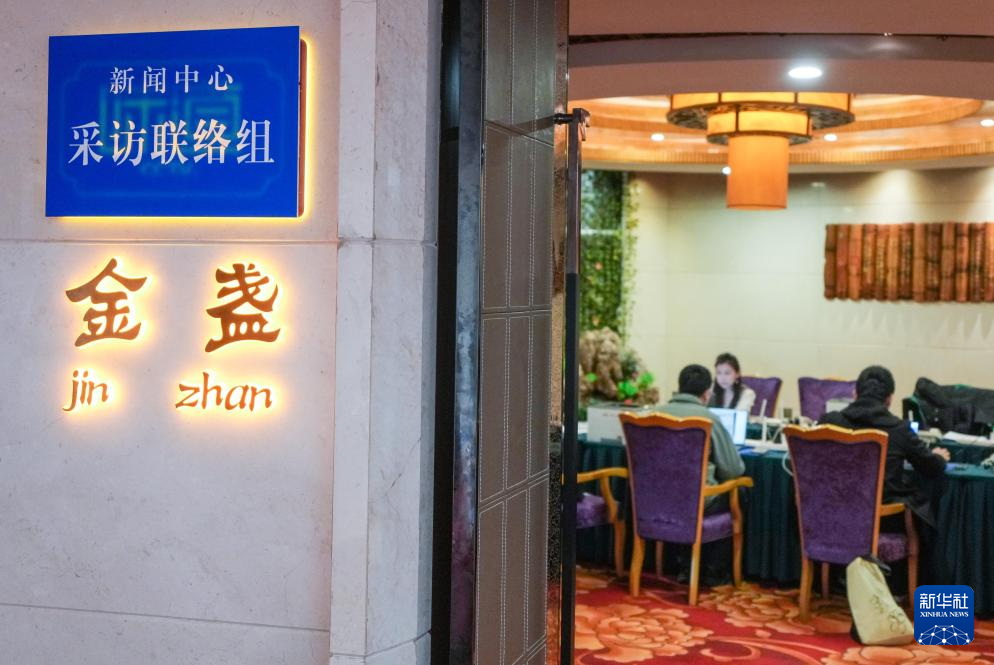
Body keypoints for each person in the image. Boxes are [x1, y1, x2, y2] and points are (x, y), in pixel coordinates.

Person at [818, 365, 950, 525]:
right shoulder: (899, 429)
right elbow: (932, 467)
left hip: (831, 517)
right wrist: (939, 457)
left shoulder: (829, 423)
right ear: (889, 399)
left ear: (855, 394)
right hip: (884, 521)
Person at [659, 363, 746, 512]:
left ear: (679, 388)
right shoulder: (709, 419)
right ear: (706, 394)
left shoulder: (652, 415)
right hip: (696, 502)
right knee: (742, 490)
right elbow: (732, 470)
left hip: (652, 498)